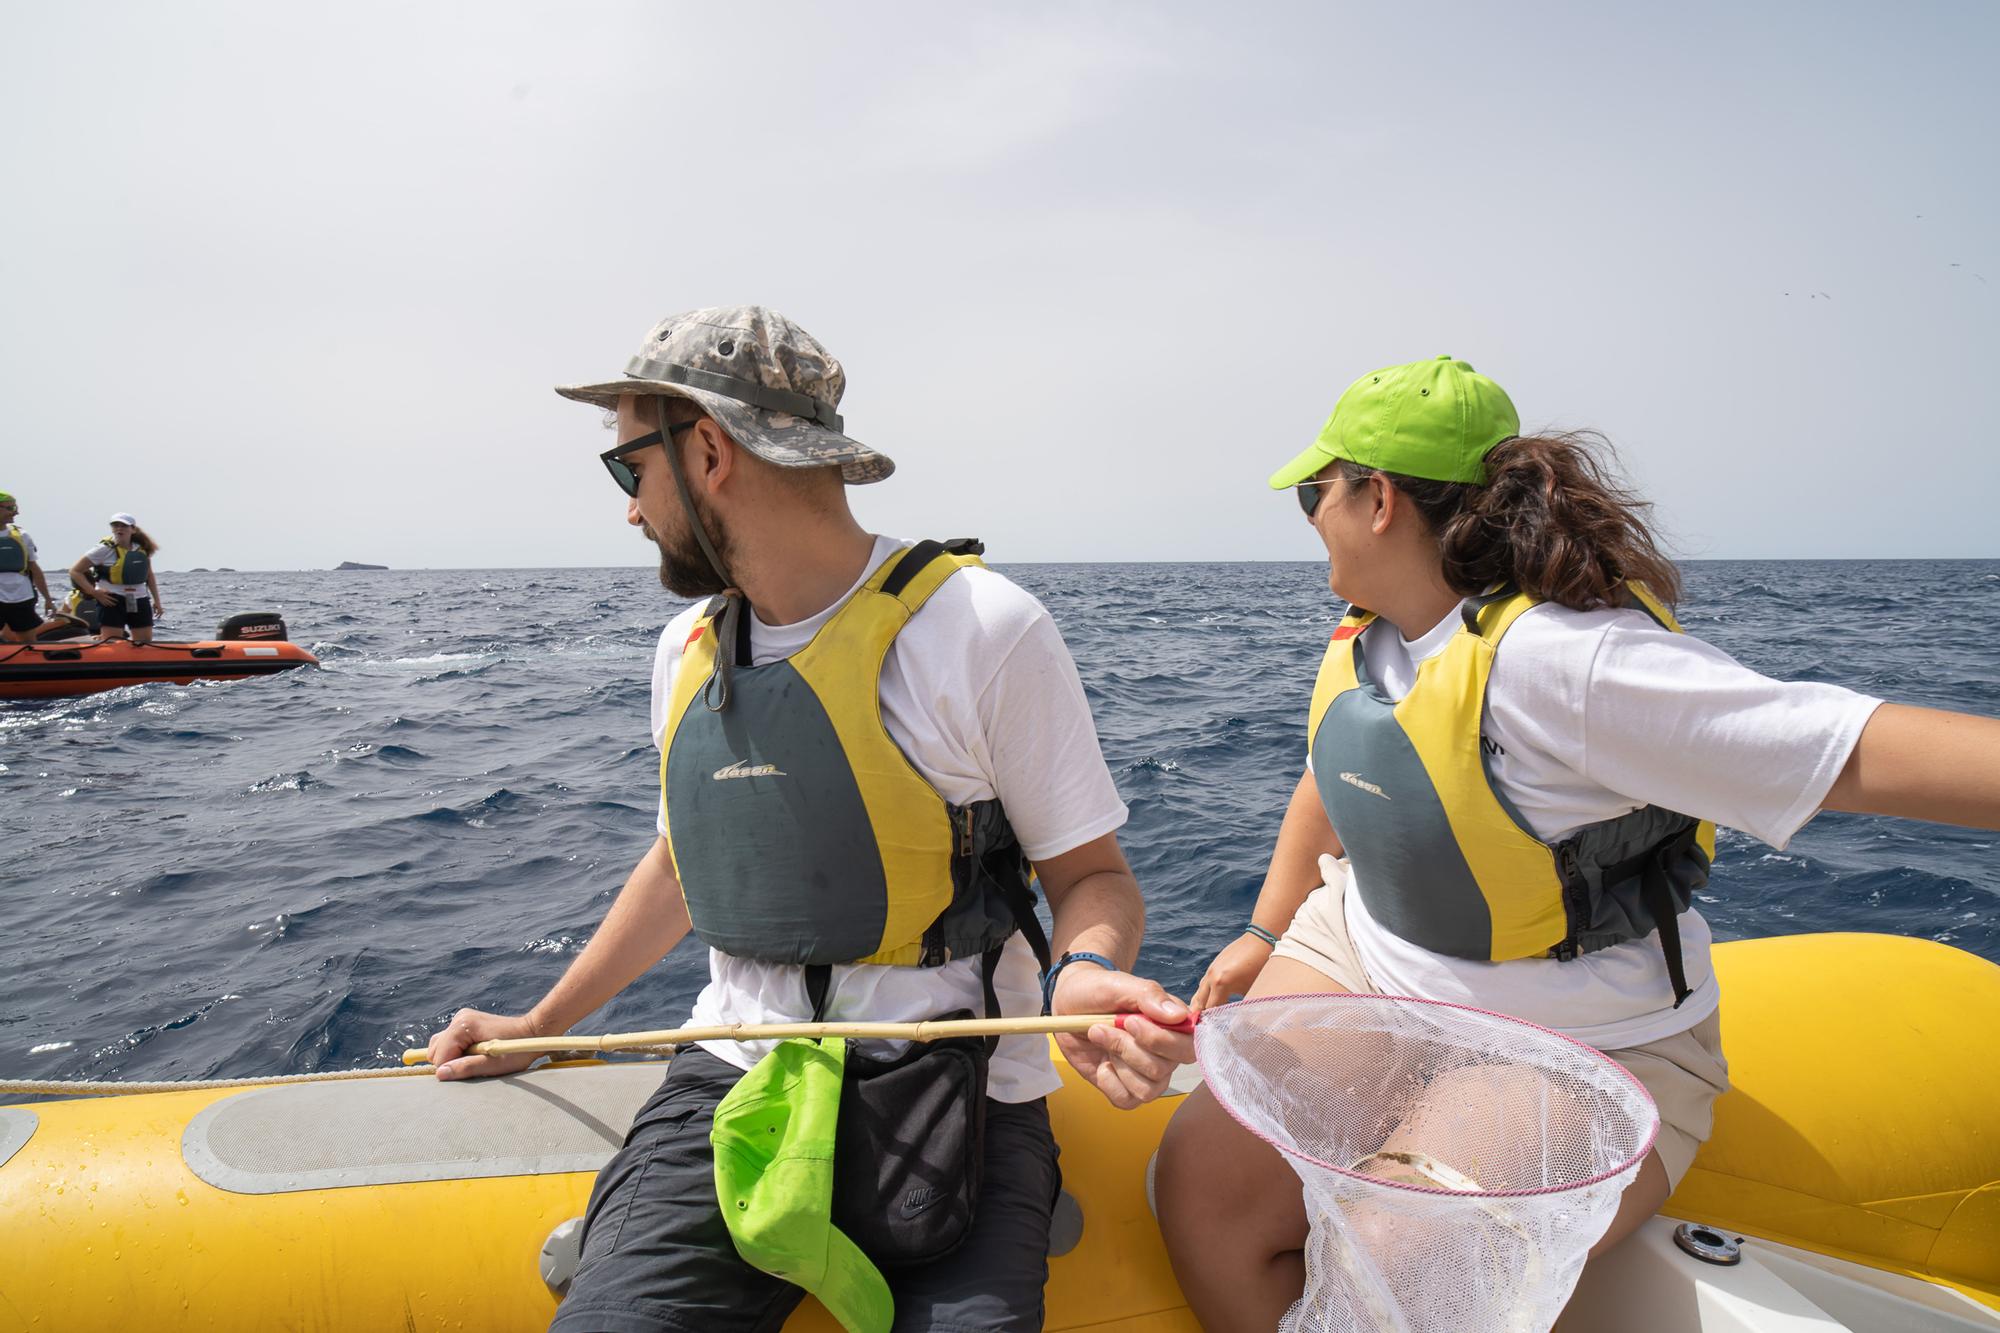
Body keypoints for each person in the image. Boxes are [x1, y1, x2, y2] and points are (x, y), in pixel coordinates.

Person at [1153, 355, 2000, 1331]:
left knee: (1397, 1266)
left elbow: (1854, 754)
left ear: (1376, 498)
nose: (1306, 516)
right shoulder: (1374, 635)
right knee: (1199, 1191)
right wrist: (1263, 934)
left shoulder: (1564, 665)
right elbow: (1336, 772)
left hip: (1575, 1041)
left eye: (1314, 490)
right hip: (1363, 952)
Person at [425, 306, 1194, 1333]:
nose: (626, 512)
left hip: (963, 1088)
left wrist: (1085, 971)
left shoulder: (981, 631)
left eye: (628, 472)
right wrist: (540, 1025)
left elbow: (1092, 877)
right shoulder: (684, 649)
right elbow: (680, 863)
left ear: (706, 451)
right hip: (736, 1081)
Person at [71, 514, 163, 644]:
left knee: (144, 643)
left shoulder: (141, 548)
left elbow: (149, 575)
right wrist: (94, 593)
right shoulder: (103, 549)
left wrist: (157, 601)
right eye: (115, 525)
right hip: (112, 600)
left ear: (133, 529)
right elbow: (75, 571)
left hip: (139, 598)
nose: (119, 529)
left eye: (124, 526)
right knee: (112, 643)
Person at [0, 490, 72, 643]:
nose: (16, 512)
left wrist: (47, 599)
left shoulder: (22, 536)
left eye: (16, 507)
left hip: (21, 596)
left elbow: (35, 569)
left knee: (28, 641)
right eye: (11, 508)